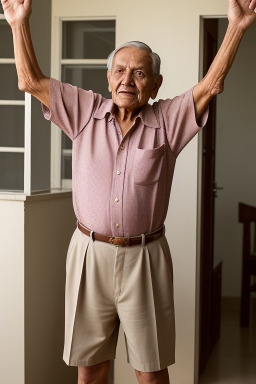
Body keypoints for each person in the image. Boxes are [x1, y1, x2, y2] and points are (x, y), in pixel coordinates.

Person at [1, 0, 256, 383]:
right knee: (90, 372)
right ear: (107, 78)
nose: (127, 80)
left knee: (151, 375)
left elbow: (210, 85)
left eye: (140, 73)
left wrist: (236, 27)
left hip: (145, 258)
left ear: (155, 85)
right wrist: (18, 23)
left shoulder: (168, 120)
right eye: (120, 70)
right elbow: (30, 81)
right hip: (89, 254)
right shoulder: (84, 111)